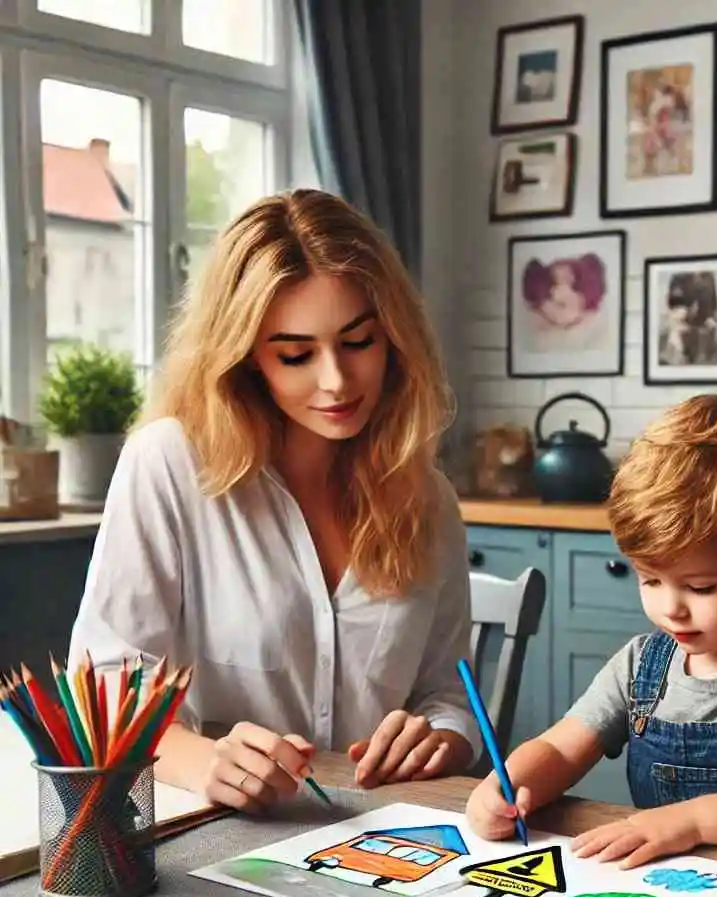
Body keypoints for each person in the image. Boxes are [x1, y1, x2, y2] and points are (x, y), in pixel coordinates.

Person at [69, 188, 480, 814]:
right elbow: (102, 689)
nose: (336, 381)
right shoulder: (172, 465)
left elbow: (449, 692)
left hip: (385, 838)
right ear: (246, 358)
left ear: (395, 338)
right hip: (221, 836)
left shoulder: (427, 498)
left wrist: (441, 738)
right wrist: (203, 762)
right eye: (295, 355)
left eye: (359, 342)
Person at [466, 394, 717, 868]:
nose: (670, 609)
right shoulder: (641, 666)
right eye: (650, 580)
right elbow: (561, 746)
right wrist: (507, 783)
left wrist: (693, 822)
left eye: (700, 587)